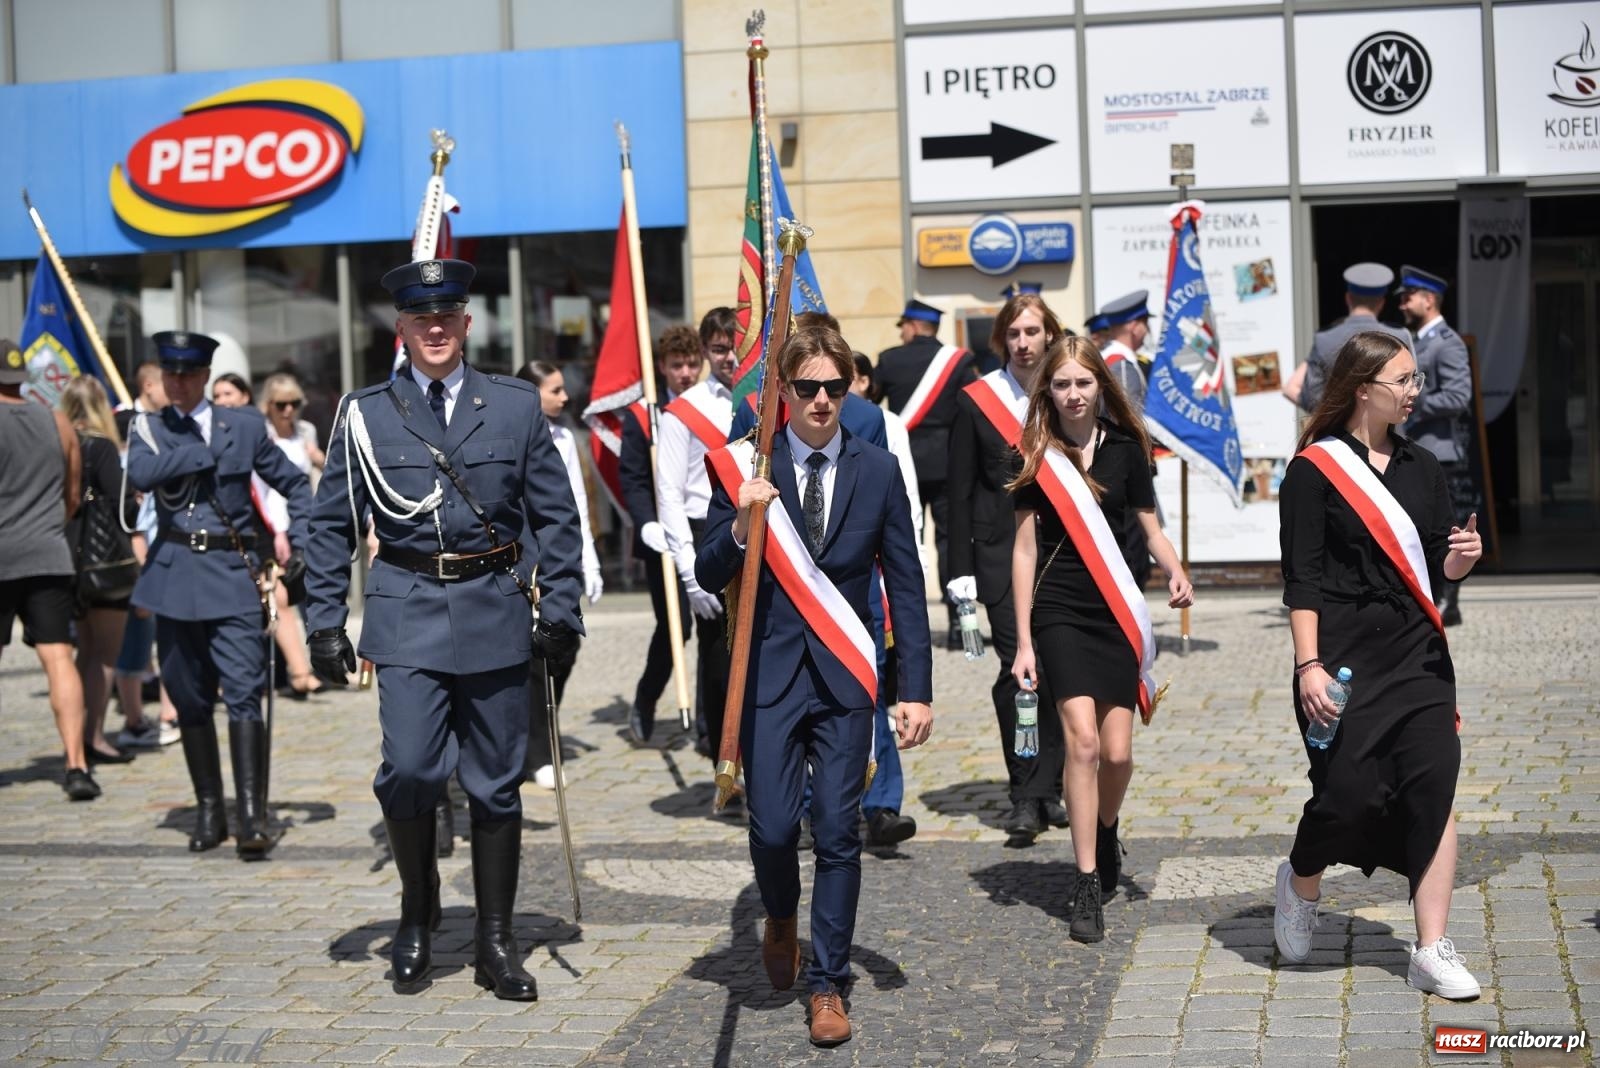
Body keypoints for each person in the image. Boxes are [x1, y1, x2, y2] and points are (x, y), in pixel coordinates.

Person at [303, 258, 584, 999]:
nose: (435, 327)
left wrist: (562, 609)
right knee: (413, 769)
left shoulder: (516, 407)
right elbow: (330, 524)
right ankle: (417, 913)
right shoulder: (365, 413)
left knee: (496, 783)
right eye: (420, 318)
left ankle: (495, 938)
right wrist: (325, 621)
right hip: (406, 609)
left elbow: (557, 519)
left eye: (448, 315)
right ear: (401, 328)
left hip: (492, 604)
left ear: (465, 323)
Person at [696, 326, 933, 1048]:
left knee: (837, 831)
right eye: (808, 388)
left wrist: (914, 687)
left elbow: (907, 582)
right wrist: (742, 521)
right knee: (770, 829)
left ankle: (827, 984)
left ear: (852, 387)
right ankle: (779, 915)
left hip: (845, 677)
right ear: (783, 394)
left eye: (836, 386)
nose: (823, 400)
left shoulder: (880, 469)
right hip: (768, 676)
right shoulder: (746, 466)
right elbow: (708, 574)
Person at [1273, 330, 1483, 999]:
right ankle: (1301, 881)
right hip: (1342, 660)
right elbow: (1301, 580)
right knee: (1347, 798)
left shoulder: (1424, 466)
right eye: (1404, 381)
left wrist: (1462, 560)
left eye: (1417, 379)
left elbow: (1436, 566)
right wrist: (1308, 665)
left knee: (1434, 788)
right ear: (1364, 389)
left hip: (1419, 655)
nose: (1416, 392)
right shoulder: (1312, 471)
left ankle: (1431, 947)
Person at [1010, 337, 1193, 944]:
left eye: (1082, 383)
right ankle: (1086, 879)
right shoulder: (1039, 455)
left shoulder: (1126, 450)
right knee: (1082, 744)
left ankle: (1107, 828)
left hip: (1116, 611)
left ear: (1099, 386)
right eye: (1061, 384)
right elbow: (1024, 549)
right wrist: (1024, 643)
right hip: (1060, 610)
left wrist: (1175, 569)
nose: (1072, 394)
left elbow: (1149, 524)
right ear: (1048, 391)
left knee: (1117, 754)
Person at [126, 331, 312, 858]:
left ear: (205, 375)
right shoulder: (150, 428)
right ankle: (209, 808)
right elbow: (138, 472)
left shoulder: (245, 425)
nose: (177, 384)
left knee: (245, 691)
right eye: (169, 374)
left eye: (187, 374)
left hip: (232, 573)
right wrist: (194, 456)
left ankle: (251, 814)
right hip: (173, 573)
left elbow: (296, 483)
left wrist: (296, 543)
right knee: (188, 697)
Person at [947, 294, 1070, 847]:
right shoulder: (977, 401)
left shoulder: (1068, 391)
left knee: (1061, 672)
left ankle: (1052, 787)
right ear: (1002, 339)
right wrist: (959, 570)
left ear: (1049, 335)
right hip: (998, 560)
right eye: (1013, 333)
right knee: (1017, 676)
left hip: (1062, 557)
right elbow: (957, 493)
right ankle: (1025, 793)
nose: (1023, 342)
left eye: (1032, 332)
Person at [0, 339, 94, 800]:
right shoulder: (56, 420)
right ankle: (76, 764)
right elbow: (72, 498)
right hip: (48, 552)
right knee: (59, 658)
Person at [655, 307, 738, 776]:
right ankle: (720, 753)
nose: (728, 357)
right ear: (705, 352)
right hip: (705, 530)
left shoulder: (764, 396)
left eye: (734, 347)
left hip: (757, 526)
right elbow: (667, 492)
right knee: (718, 652)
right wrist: (688, 570)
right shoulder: (683, 412)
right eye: (719, 349)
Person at [516, 359, 604, 789]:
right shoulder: (511, 429)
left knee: (564, 647)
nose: (564, 397)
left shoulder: (566, 437)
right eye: (554, 390)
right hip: (523, 553)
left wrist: (588, 558)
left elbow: (575, 505)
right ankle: (534, 751)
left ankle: (542, 731)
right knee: (533, 659)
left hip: (560, 552)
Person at [847, 352, 923, 848]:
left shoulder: (878, 421)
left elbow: (903, 497)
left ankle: (881, 805)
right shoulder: (758, 410)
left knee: (873, 693)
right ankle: (810, 807)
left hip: (865, 582)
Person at [874, 299, 980, 651]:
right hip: (951, 463)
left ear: (915, 326)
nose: (902, 332)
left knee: (906, 542)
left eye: (903, 325)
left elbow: (872, 402)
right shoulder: (961, 362)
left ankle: (908, 621)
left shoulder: (890, 360)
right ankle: (956, 625)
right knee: (951, 543)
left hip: (905, 465)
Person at [618, 324, 703, 743]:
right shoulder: (644, 414)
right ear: (662, 368)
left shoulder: (712, 405)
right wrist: (647, 520)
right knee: (675, 626)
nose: (685, 373)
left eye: (691, 364)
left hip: (706, 530)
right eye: (677, 365)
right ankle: (646, 698)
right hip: (662, 538)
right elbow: (632, 477)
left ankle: (711, 720)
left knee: (714, 627)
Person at [59, 376, 142, 769]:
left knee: (83, 653)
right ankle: (94, 737)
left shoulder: (59, 443)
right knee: (105, 655)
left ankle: (76, 737)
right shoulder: (100, 445)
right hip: (105, 564)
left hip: (67, 559)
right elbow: (122, 505)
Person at [1395, 265, 1478, 627]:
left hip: (1443, 452)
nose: (1402, 304)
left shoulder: (1447, 342)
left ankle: (1450, 603)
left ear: (1428, 300)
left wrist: (1412, 402)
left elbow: (1460, 396)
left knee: (1449, 529)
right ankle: (1435, 598)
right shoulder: (1420, 342)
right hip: (1421, 447)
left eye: (1407, 297)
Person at [255, 373, 328, 699]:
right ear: (268, 405)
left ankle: (323, 663)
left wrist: (318, 458)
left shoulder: (306, 432)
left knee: (313, 596)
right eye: (281, 404)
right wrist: (277, 531)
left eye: (294, 404)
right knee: (280, 599)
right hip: (275, 525)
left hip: (307, 521)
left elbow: (323, 476)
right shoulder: (261, 435)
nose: (288, 411)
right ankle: (299, 673)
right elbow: (263, 488)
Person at [1092, 291, 1157, 588]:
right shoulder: (1121, 366)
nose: (1146, 330)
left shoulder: (1109, 360)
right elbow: (1128, 422)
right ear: (1135, 326)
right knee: (1134, 556)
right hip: (1123, 472)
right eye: (1144, 323)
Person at [1291, 263, 1410, 413]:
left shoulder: (1324, 339)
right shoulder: (1400, 336)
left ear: (1348, 298)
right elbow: (1410, 388)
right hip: (1389, 430)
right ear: (1381, 302)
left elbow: (1311, 394)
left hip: (1341, 432)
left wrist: (1336, 419)